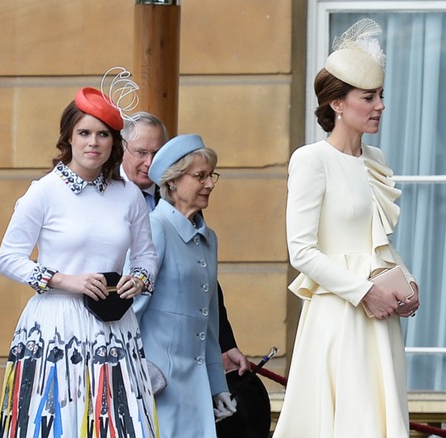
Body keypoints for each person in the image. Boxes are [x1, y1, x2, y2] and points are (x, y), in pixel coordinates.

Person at [273, 19, 420, 437]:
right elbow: (301, 251)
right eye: (368, 97)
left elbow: (376, 244)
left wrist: (404, 284)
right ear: (337, 103)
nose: (380, 105)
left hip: (379, 320)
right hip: (339, 316)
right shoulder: (311, 159)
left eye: (381, 96)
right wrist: (364, 292)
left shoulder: (374, 158)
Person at [0, 80, 159, 437]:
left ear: (114, 142)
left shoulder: (129, 194)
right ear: (69, 136)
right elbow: (8, 258)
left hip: (115, 327)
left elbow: (146, 256)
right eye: (84, 132)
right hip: (56, 325)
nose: (93, 142)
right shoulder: (44, 192)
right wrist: (64, 280)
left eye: (102, 134)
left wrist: (139, 279)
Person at [120, 113, 250, 376]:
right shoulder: (99, 193)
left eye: (157, 153)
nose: (150, 163)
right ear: (122, 149)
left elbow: (202, 281)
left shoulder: (181, 200)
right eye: (141, 152)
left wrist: (224, 344)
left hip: (176, 362)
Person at [133, 134, 236, 437]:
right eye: (200, 176)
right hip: (158, 382)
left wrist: (218, 386)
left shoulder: (209, 238)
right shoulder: (155, 227)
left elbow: (209, 322)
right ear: (173, 182)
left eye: (211, 175)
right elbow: (131, 310)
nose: (210, 184)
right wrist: (131, 373)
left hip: (196, 385)